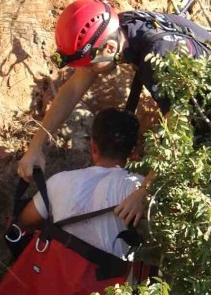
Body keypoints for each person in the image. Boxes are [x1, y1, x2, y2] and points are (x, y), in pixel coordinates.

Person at [17, 0, 211, 227]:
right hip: (198, 98)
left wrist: (143, 192)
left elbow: (180, 131)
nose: (86, 71)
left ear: (109, 48)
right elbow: (73, 90)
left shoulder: (158, 57)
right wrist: (35, 147)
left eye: (88, 65)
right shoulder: (120, 27)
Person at [16, 107, 142, 259]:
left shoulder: (58, 181)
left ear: (93, 145)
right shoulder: (139, 190)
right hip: (110, 281)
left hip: (56, 276)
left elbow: (23, 222)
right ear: (134, 153)